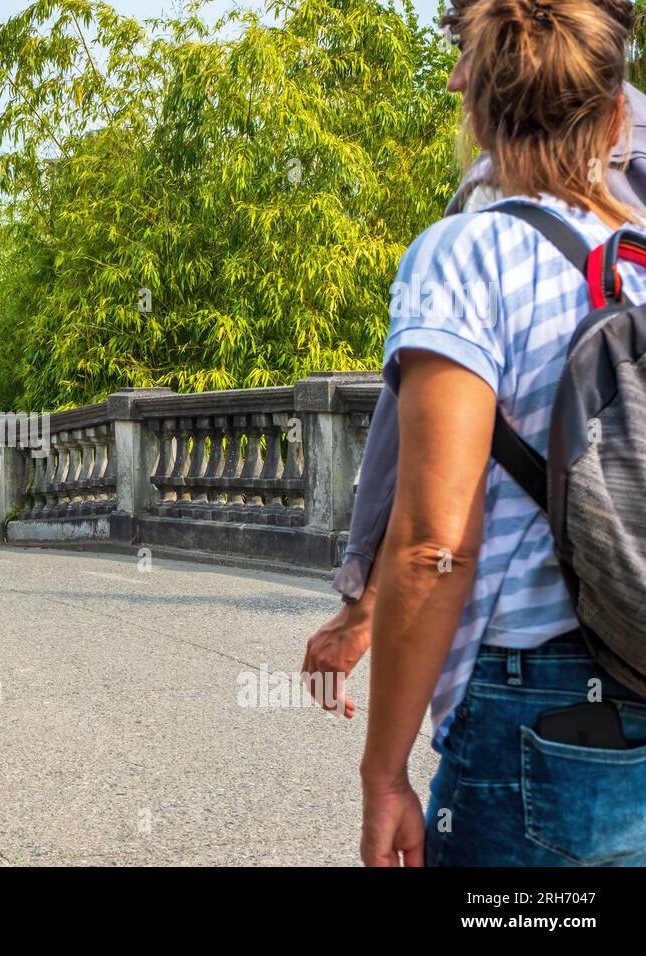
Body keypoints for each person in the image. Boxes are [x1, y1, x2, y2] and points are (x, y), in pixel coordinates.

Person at [357, 0, 646, 867]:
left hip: (541, 702)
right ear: (616, 113)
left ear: (477, 114)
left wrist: (384, 773)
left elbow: (434, 546)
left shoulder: (462, 255)